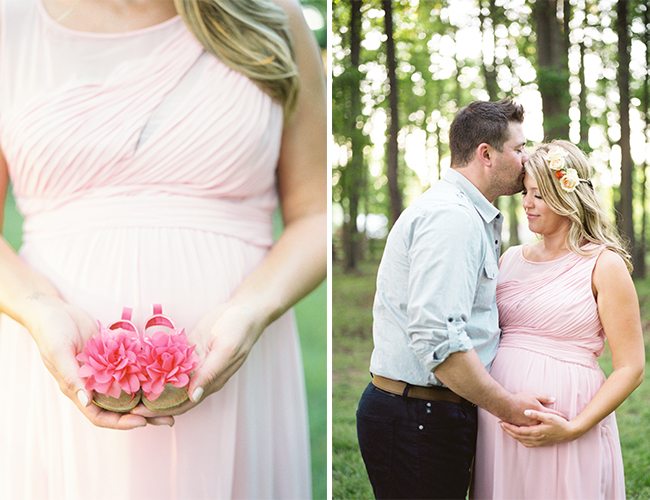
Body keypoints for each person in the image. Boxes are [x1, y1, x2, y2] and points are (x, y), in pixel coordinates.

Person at [0, 0, 326, 498]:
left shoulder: (274, 20)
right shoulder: (9, 25)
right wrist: (38, 308)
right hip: (49, 373)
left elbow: (316, 215)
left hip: (238, 371)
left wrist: (252, 307)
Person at [356, 99, 562, 500]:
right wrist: (507, 406)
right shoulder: (453, 218)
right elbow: (438, 337)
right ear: (486, 154)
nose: (526, 160)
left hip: (430, 413)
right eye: (519, 149)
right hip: (419, 416)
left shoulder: (466, 213)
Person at [472, 140, 645, 499]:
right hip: (501, 419)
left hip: (568, 421)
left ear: (568, 197)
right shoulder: (510, 259)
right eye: (526, 193)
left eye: (539, 195)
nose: (527, 204)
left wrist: (574, 427)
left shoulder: (603, 264)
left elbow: (631, 367)